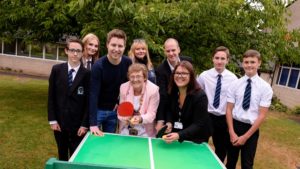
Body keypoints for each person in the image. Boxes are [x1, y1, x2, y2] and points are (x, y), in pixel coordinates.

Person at [226, 49, 273, 169]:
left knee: (247, 165)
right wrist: (231, 132)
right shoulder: (235, 84)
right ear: (242, 63)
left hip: (251, 130)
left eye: (252, 62)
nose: (249, 65)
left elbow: (262, 115)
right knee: (230, 162)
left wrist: (245, 137)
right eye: (246, 62)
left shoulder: (265, 88)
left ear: (259, 63)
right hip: (235, 126)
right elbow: (229, 109)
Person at [48, 37, 90, 161]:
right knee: (62, 154)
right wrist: (52, 120)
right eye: (72, 50)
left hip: (77, 126)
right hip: (60, 123)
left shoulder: (87, 74)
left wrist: (84, 124)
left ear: (82, 52)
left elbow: (88, 102)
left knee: (75, 155)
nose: (75, 54)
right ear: (66, 51)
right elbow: (51, 96)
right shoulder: (57, 70)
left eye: (78, 51)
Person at [197, 46, 238, 162]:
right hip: (206, 116)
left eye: (222, 58)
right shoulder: (204, 76)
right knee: (200, 144)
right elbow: (198, 96)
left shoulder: (233, 79)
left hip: (223, 119)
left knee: (221, 149)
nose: (219, 61)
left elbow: (234, 101)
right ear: (212, 59)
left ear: (227, 60)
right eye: (217, 58)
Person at [89, 29, 132, 136]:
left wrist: (119, 103)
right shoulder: (98, 66)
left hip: (114, 112)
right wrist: (93, 123)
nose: (116, 49)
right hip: (98, 111)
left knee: (109, 144)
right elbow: (93, 95)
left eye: (120, 46)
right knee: (94, 143)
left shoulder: (128, 63)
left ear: (124, 47)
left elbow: (127, 88)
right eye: (113, 45)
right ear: (107, 45)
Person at [162, 61, 212, 144]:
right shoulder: (173, 91)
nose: (180, 76)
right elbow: (169, 110)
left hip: (196, 139)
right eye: (177, 73)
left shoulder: (200, 96)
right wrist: (169, 122)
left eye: (184, 73)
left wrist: (179, 135)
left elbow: (198, 124)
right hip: (179, 134)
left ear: (191, 76)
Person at [155, 38, 192, 132]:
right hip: (171, 109)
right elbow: (163, 96)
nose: (171, 53)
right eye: (168, 51)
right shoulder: (160, 70)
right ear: (165, 52)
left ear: (178, 49)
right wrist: (161, 119)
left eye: (173, 50)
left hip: (188, 107)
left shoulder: (189, 62)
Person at [118, 63, 159, 137]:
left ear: (145, 77)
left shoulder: (153, 90)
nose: (135, 79)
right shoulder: (123, 87)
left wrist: (140, 119)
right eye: (132, 76)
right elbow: (121, 112)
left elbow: (152, 114)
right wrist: (126, 118)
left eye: (138, 76)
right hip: (126, 128)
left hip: (145, 130)